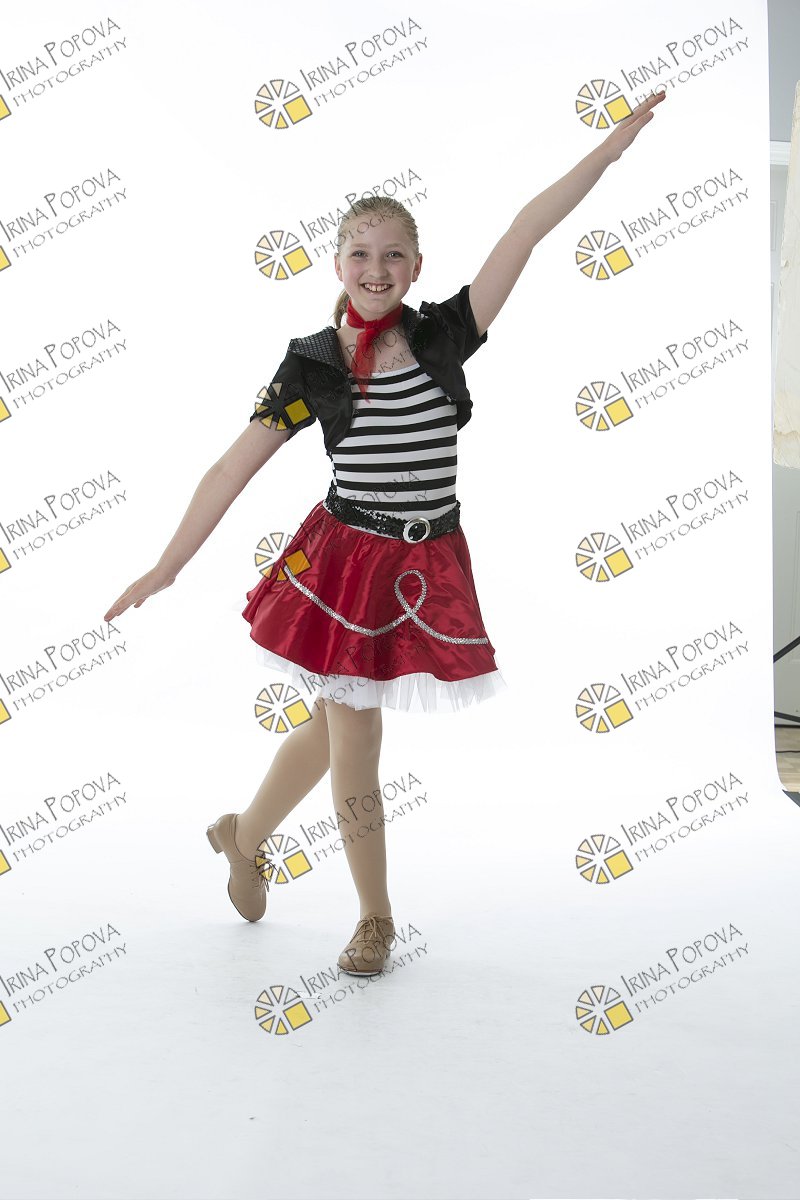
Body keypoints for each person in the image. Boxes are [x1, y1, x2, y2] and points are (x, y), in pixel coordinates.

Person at [104, 89, 665, 978]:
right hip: (344, 563)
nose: (376, 268)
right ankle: (376, 919)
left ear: (415, 266)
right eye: (360, 254)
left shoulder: (446, 334)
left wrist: (610, 150)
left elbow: (524, 231)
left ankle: (242, 836)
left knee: (334, 732)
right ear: (337, 263)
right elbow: (232, 466)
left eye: (393, 254)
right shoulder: (315, 364)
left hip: (426, 559)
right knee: (358, 740)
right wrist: (166, 566)